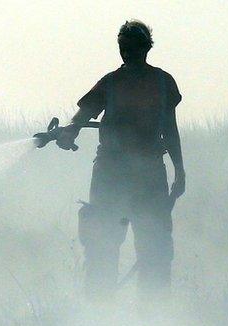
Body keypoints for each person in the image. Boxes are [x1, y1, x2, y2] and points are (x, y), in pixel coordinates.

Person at [57, 20, 185, 299]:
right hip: (113, 175)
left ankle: (154, 317)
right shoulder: (112, 82)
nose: (127, 53)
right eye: (123, 48)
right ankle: (99, 314)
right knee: (102, 247)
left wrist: (180, 171)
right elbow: (83, 114)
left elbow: (170, 129)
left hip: (145, 174)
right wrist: (70, 129)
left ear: (146, 49)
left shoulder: (163, 83)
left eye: (133, 48)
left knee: (155, 251)